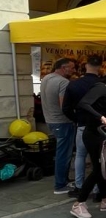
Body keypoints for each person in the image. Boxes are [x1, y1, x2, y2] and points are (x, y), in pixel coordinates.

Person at [69, 56, 106, 218]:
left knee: (102, 168)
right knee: (99, 169)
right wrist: (102, 118)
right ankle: (79, 203)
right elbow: (83, 104)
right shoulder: (100, 87)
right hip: (94, 135)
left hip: (101, 134)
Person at [62, 55, 105, 200]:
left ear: (86, 65)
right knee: (98, 159)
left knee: (80, 155)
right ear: (100, 67)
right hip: (99, 127)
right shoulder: (103, 84)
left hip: (82, 124)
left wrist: (77, 119)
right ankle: (98, 188)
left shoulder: (74, 84)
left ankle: (79, 185)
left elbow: (66, 108)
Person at [41, 58, 77, 194]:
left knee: (62, 152)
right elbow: (65, 106)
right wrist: (76, 117)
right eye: (72, 68)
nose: (73, 70)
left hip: (51, 120)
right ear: (64, 67)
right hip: (62, 121)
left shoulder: (46, 78)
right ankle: (60, 185)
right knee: (63, 154)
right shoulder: (63, 82)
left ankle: (63, 180)